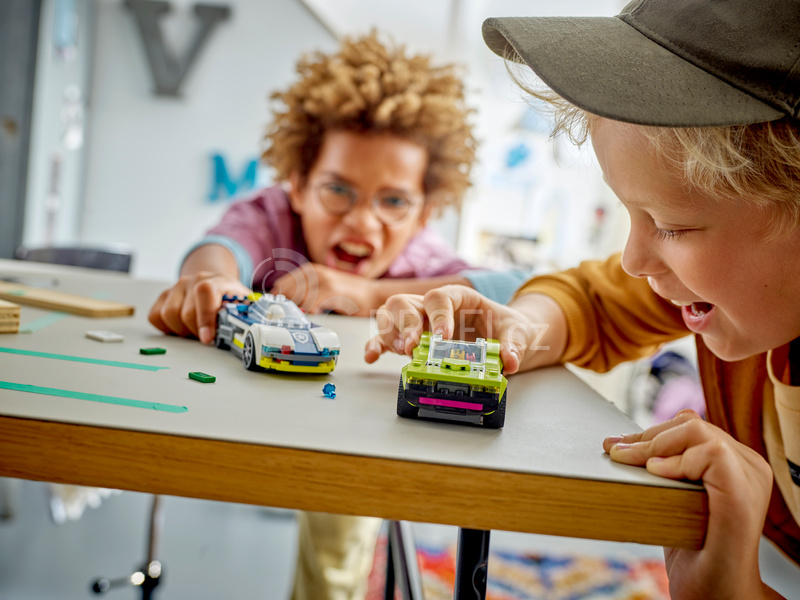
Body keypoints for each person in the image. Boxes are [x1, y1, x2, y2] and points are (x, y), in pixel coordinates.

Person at [365, 1, 800, 598]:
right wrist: (520, 328)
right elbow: (596, 300)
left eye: (671, 225)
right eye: (631, 213)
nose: (634, 259)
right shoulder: (756, 296)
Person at [148, 32, 526, 600]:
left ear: (426, 211)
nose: (363, 224)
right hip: (242, 420)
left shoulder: (422, 261)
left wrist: (363, 289)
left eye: (393, 201)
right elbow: (220, 250)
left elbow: (512, 287)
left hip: (348, 435)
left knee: (336, 543)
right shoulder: (270, 217)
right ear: (297, 185)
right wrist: (208, 281)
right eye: (338, 191)